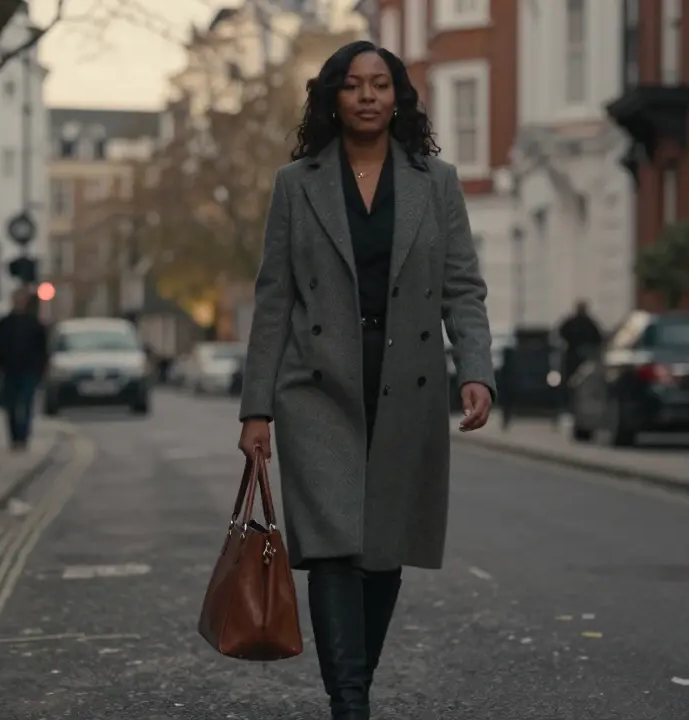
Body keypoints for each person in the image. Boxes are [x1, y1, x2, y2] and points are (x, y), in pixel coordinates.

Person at [236, 41, 495, 719]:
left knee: (383, 555)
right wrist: (255, 409)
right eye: (354, 86)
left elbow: (464, 290)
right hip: (317, 390)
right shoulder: (297, 184)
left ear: (399, 97)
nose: (369, 96)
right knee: (332, 551)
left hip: (406, 385)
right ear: (333, 98)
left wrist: (476, 371)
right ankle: (349, 703)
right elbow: (274, 300)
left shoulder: (436, 182)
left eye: (381, 84)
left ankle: (355, 680)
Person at [0, 288, 48, 451]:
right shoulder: (5, 322)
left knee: (26, 403)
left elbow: (43, 349)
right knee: (11, 405)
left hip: (29, 370)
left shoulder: (34, 323)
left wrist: (41, 369)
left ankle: (23, 437)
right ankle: (14, 437)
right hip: (9, 369)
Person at [556, 300, 603, 414]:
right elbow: (598, 339)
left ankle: (568, 404)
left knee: (569, 383)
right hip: (584, 358)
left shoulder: (571, 322)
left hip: (572, 356)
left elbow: (561, 333)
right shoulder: (590, 323)